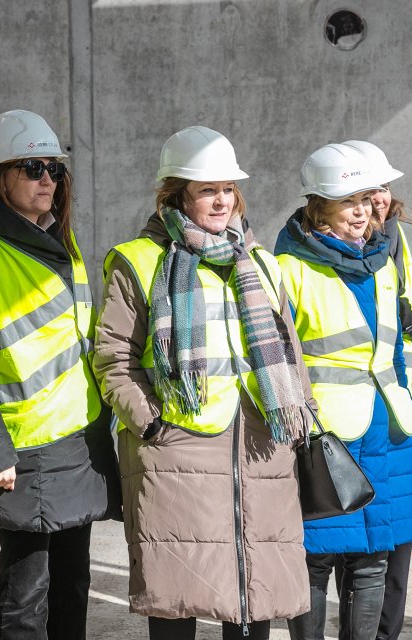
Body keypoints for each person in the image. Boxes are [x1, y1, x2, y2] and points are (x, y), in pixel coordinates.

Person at [92, 125, 314, 639]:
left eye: (227, 189)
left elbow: (290, 352)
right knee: (178, 599)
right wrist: (152, 426)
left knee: (258, 597)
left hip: (260, 445)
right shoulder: (138, 260)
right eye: (205, 190)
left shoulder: (260, 261)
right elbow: (113, 358)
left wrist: (299, 413)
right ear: (176, 195)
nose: (220, 201)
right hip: (178, 447)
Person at [0, 109, 120, 640]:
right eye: (34, 168)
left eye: (56, 170)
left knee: (72, 584)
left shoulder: (57, 239)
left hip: (77, 439)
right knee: (25, 591)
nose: (49, 180)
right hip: (22, 449)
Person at [275, 143, 412, 640]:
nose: (362, 212)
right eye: (347, 202)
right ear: (320, 208)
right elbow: (279, 362)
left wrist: (408, 417)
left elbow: (394, 352)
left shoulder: (383, 263)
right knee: (316, 557)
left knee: (373, 559)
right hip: (325, 436)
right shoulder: (289, 269)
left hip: (388, 432)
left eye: (366, 199)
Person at [344, 140, 412, 640]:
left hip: (408, 416)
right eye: (368, 190)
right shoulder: (316, 247)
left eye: (384, 188)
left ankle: (384, 634)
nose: (378, 199)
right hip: (347, 415)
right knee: (346, 539)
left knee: (397, 540)